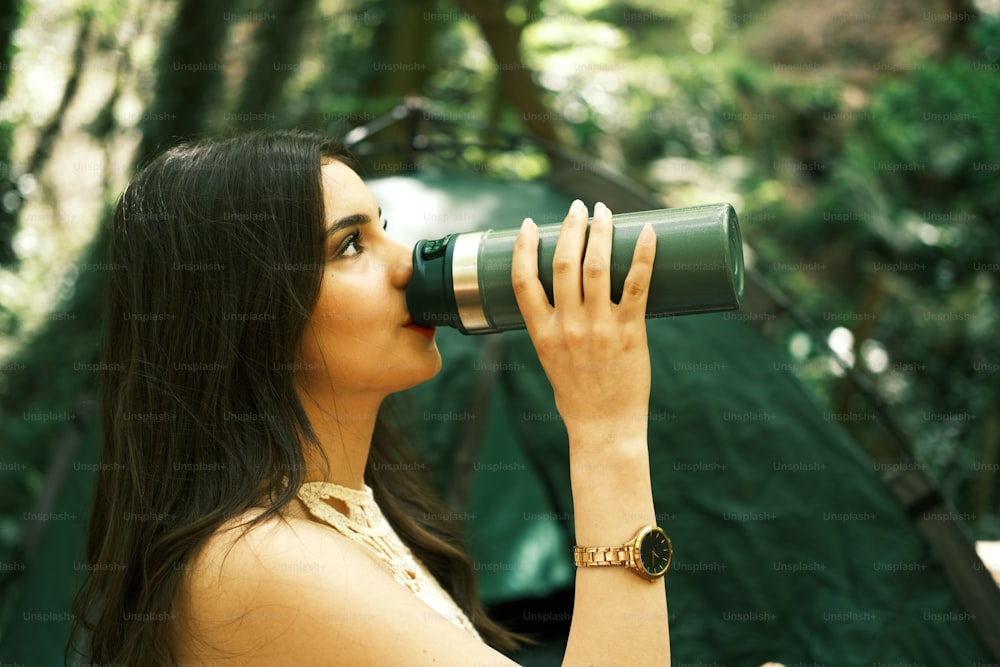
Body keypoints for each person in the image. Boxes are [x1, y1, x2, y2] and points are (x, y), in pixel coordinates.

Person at [70, 130, 670, 665]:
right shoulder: (262, 561)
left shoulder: (335, 514)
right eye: (350, 245)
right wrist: (606, 429)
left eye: (381, 227)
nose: (408, 263)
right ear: (249, 315)